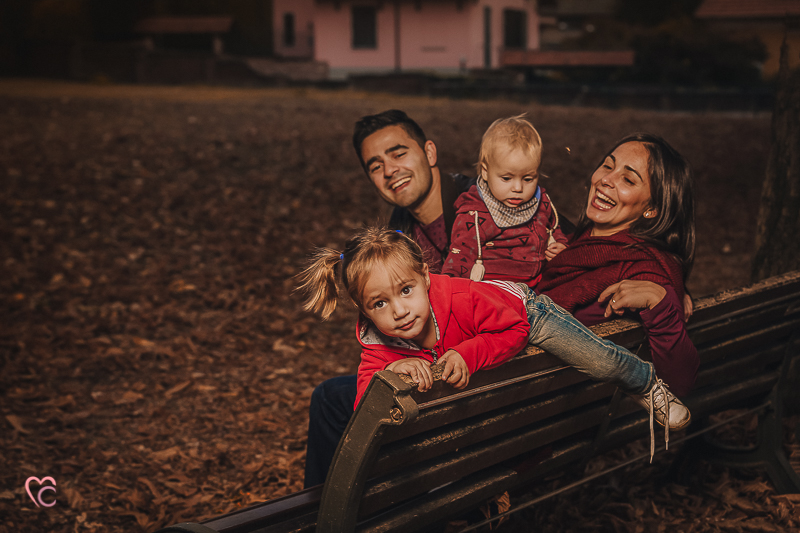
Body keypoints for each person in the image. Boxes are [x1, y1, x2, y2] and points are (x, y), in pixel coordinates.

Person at [297, 227, 690, 434]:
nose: (399, 311)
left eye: (405, 291)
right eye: (379, 304)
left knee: (599, 361)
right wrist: (389, 374)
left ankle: (645, 382)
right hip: (492, 331)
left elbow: (515, 329)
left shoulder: (464, 298)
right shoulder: (377, 341)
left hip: (524, 312)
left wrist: (467, 354)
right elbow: (363, 399)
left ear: (425, 278)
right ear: (362, 310)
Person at [304, 110, 475, 487]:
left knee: (331, 399)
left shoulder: (483, 207)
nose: (389, 170)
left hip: (469, 380)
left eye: (398, 153)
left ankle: (334, 514)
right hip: (456, 378)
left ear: (429, 152)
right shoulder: (400, 230)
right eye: (375, 165)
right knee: (343, 394)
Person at [538, 132, 699, 398]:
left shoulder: (645, 277)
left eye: (628, 179)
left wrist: (662, 302)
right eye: (608, 165)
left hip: (554, 405)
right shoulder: (584, 246)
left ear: (652, 209)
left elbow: (681, 385)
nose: (605, 180)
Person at [443, 115, 568, 286]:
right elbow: (460, 256)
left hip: (536, 288)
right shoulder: (475, 213)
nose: (518, 188)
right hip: (492, 291)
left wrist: (559, 244)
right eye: (507, 178)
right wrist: (451, 290)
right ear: (485, 172)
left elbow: (554, 227)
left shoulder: (541, 202)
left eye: (528, 179)